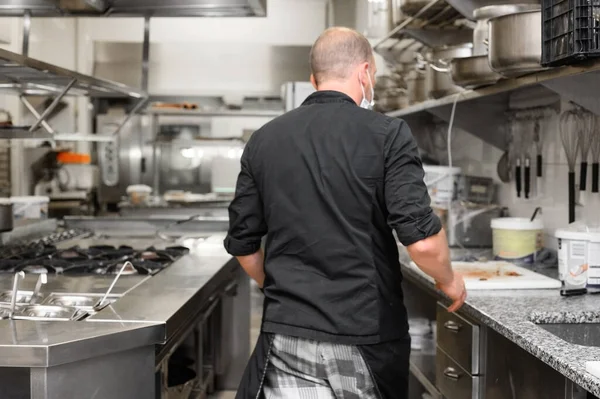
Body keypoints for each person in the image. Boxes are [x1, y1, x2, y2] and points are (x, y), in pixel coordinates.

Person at [224, 26, 466, 399]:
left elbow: (243, 244)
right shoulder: (389, 134)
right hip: (363, 333)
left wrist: (282, 288)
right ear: (365, 72)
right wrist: (449, 280)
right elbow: (422, 245)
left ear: (313, 79)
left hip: (288, 333)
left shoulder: (264, 138)